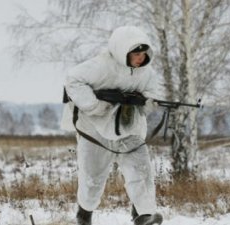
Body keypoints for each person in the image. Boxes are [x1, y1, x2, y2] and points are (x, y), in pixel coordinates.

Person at [62, 26, 164, 225]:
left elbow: (152, 93)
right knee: (92, 179)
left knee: (141, 170)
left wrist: (150, 102)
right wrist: (94, 106)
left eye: (143, 54)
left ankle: (144, 215)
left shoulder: (147, 73)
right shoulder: (100, 66)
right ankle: (84, 215)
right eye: (136, 53)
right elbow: (72, 80)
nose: (140, 58)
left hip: (129, 129)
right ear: (123, 51)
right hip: (95, 130)